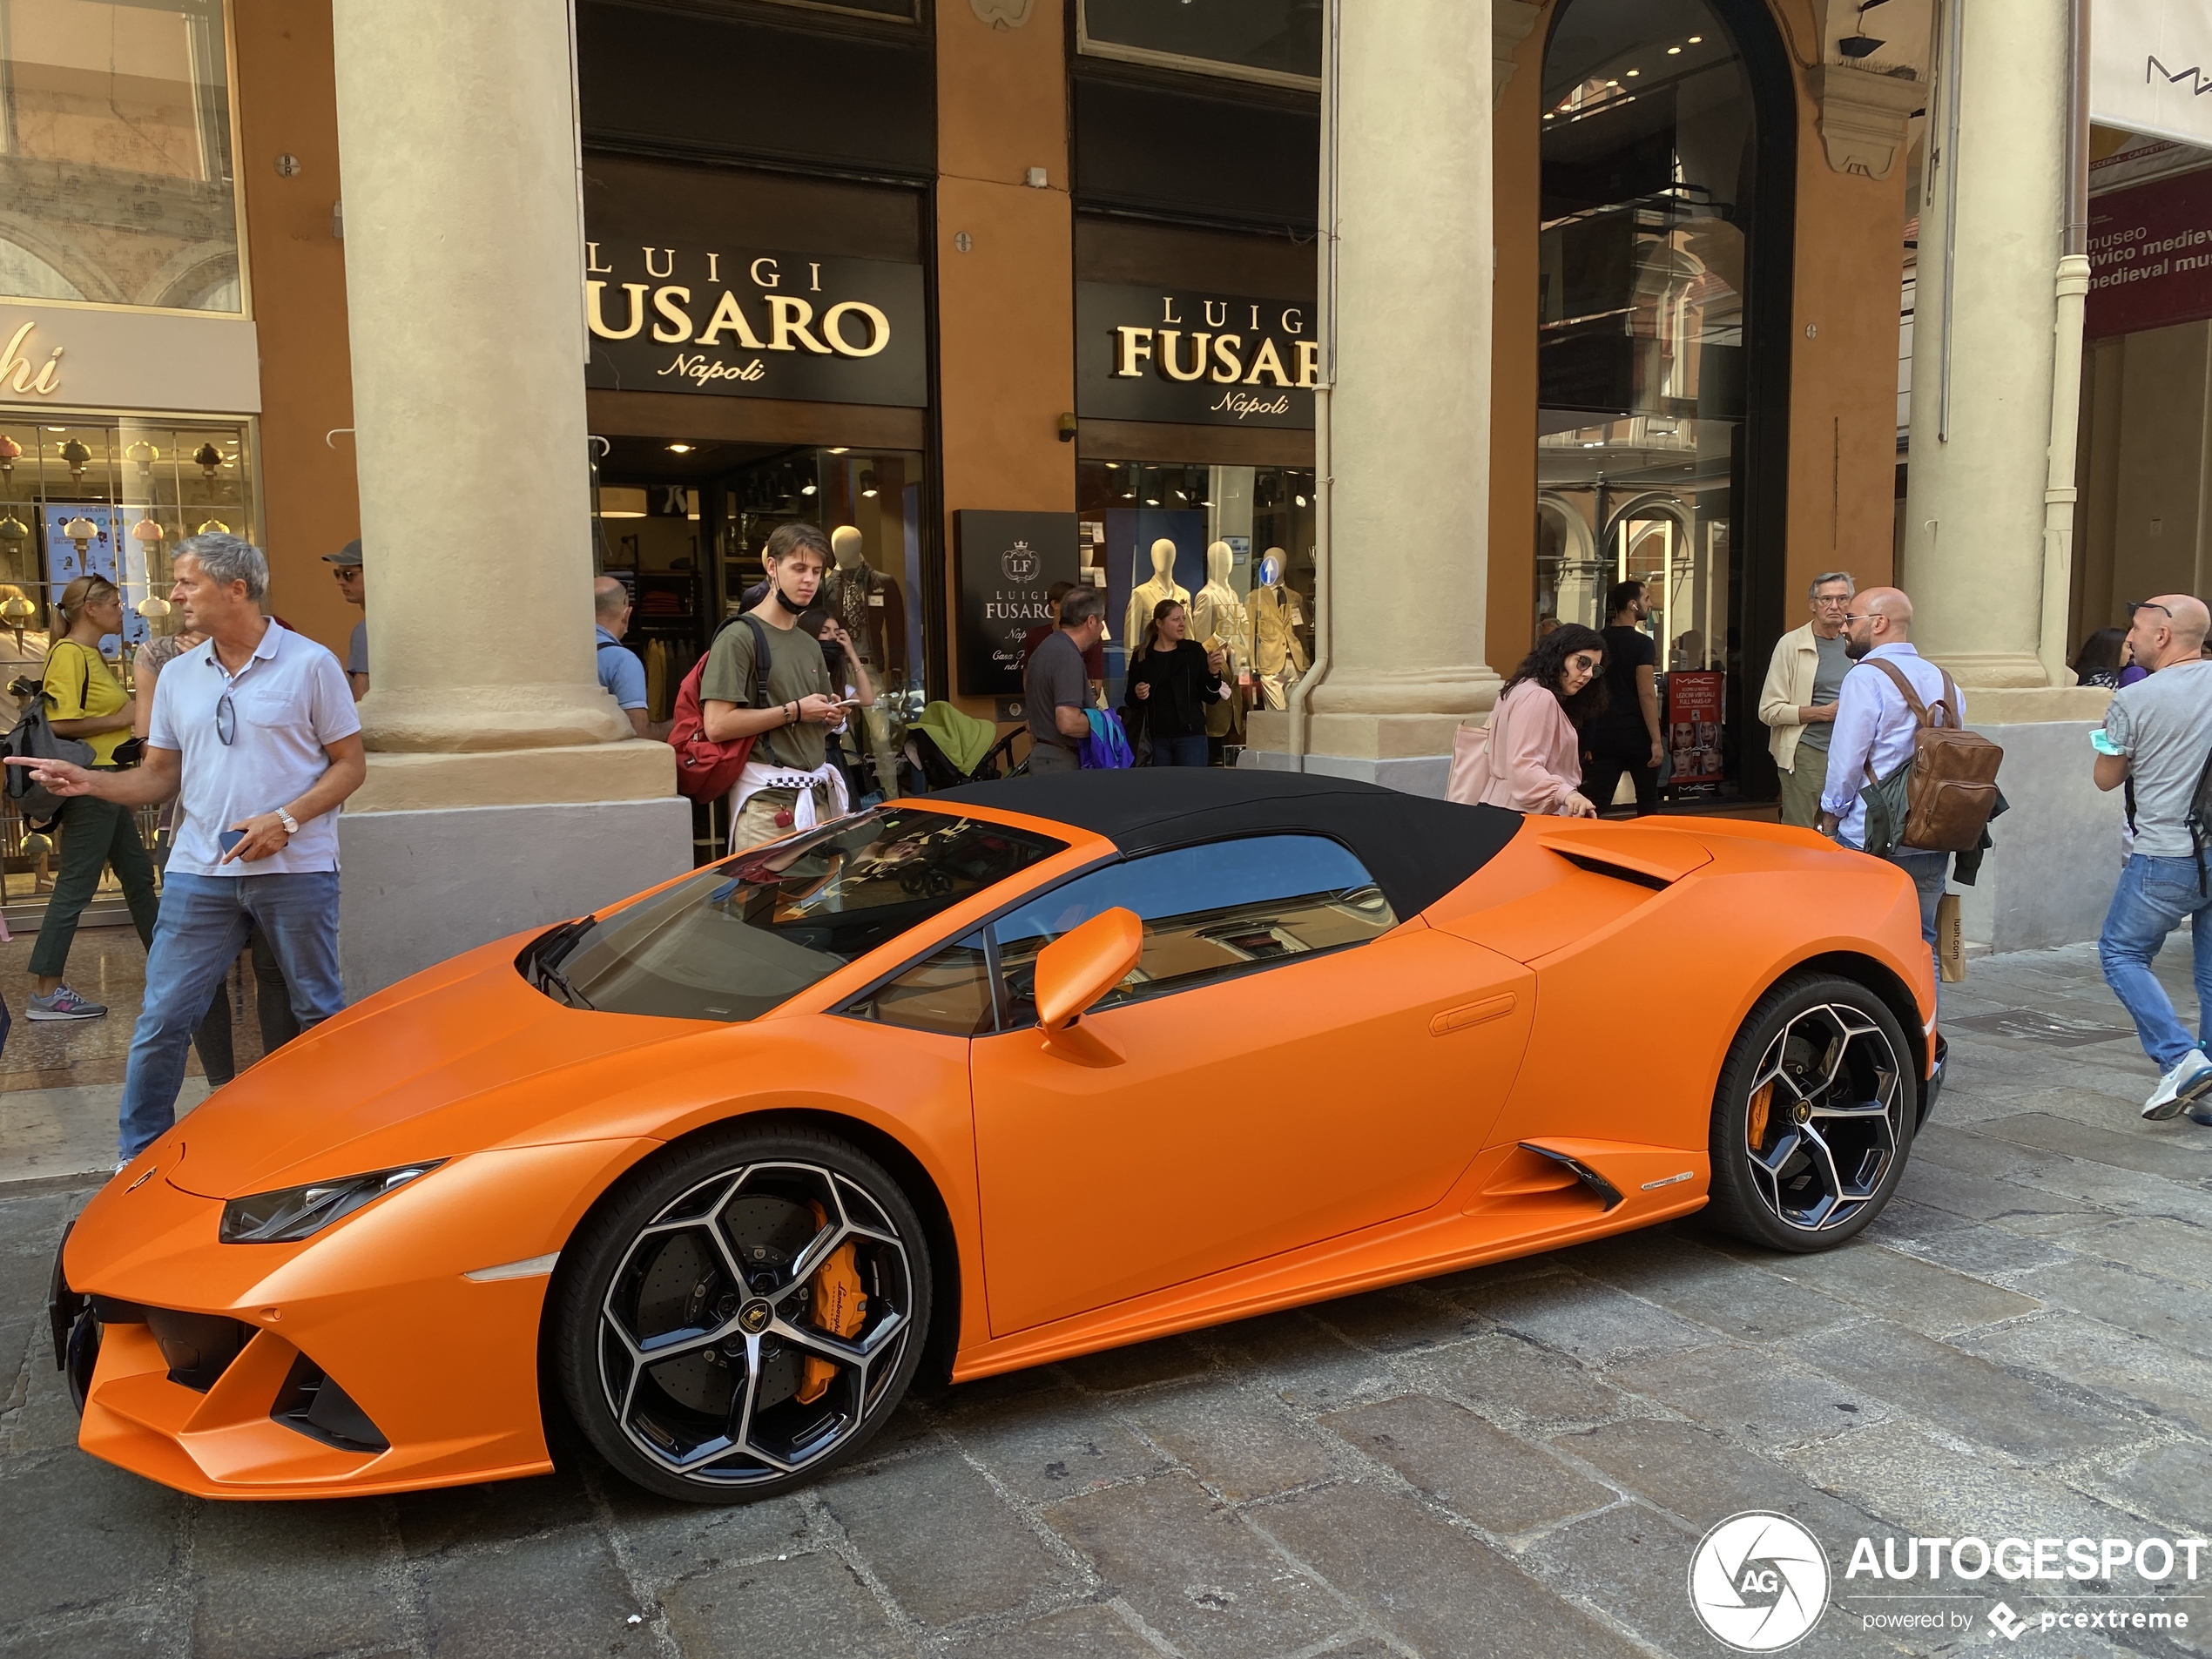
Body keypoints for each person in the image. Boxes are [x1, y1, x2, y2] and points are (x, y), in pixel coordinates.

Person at [6, 534, 366, 1163]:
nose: (172, 596)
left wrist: (286, 817)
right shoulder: (174, 675)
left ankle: (332, 1144)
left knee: (318, 1008)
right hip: (200, 869)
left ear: (237, 588)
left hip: (296, 868)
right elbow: (159, 775)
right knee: (163, 1016)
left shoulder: (310, 664)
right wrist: (90, 781)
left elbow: (349, 766)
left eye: (186, 582)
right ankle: (137, 1153)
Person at [133, 623, 300, 1083]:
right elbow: (152, 749)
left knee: (275, 967)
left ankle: (282, 1085)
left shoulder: (286, 646)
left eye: (192, 584)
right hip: (197, 831)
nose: (183, 597)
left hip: (277, 831)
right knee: (198, 975)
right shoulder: (162, 658)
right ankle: (219, 1087)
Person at [2089, 595, 2212, 1122]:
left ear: (2162, 637)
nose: (2129, 638)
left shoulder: (2136, 698)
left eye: (2136, 629)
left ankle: (2179, 1057)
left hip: (2167, 852)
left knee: (2121, 952)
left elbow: (2106, 777)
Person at [24, 575, 158, 1022]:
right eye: (116, 603)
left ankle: (170, 969)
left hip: (106, 781)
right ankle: (46, 991)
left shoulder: (87, 655)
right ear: (91, 609)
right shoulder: (69, 655)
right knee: (76, 885)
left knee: (138, 877)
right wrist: (122, 715)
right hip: (90, 781)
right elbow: (59, 724)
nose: (124, 611)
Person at [1816, 587, 1952, 981]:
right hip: (1932, 830)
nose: (1843, 625)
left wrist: (1830, 816)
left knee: (1859, 941)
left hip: (1871, 831)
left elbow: (1847, 759)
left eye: (1851, 618)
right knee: (1922, 940)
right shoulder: (1944, 680)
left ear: (1878, 623)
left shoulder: (1866, 677)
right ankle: (1925, 1036)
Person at [698, 522, 850, 850]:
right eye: (798, 568)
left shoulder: (809, 644)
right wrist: (795, 711)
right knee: (767, 902)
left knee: (821, 903)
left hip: (817, 802)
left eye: (816, 570)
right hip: (768, 810)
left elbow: (801, 731)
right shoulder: (739, 636)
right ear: (772, 567)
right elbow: (717, 725)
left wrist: (828, 719)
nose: (809, 579)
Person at [1464, 624, 1608, 816]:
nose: (1589, 674)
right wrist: (1569, 794)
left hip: (1503, 809)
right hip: (1524, 815)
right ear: (1560, 655)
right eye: (1582, 662)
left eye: (1595, 669)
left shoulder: (1519, 687)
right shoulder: (1539, 696)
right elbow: (1524, 766)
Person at [1760, 571, 1854, 827]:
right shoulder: (1791, 644)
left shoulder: (1855, 644)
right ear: (1813, 604)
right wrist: (1824, 713)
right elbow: (1768, 711)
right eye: (1826, 599)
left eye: (1842, 598)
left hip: (1850, 753)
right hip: (1808, 751)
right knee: (1802, 833)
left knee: (1840, 830)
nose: (1834, 606)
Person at [1579, 579, 1662, 815]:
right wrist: (1656, 740)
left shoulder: (1597, 642)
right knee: (1647, 803)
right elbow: (1646, 693)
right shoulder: (1642, 644)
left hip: (1603, 734)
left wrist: (1587, 738)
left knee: (1598, 804)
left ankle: (1588, 849)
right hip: (1637, 733)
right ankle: (1646, 851)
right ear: (1633, 605)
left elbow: (1588, 687)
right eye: (1646, 598)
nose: (1651, 603)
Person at [1123, 599, 1228, 767]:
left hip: (1191, 738)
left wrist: (1213, 672)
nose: (1182, 624)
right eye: (1176, 619)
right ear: (1159, 623)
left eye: (1183, 619)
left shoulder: (1193, 652)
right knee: (1162, 790)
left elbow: (1210, 697)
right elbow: (1130, 701)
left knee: (1191, 788)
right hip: (1156, 739)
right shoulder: (1142, 655)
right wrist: (1137, 693)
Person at [1023, 585, 1105, 775]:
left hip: (1045, 757)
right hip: (1060, 763)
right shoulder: (1067, 656)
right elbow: (1068, 723)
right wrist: (1108, 723)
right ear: (1091, 621)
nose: (1102, 627)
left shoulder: (1046, 647)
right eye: (1101, 621)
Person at [592, 577, 670, 740]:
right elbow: (639, 732)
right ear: (627, 614)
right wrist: (686, 723)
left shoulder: (567, 652)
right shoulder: (623, 661)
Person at [326, 538, 368, 699]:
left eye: (348, 575)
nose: (340, 581)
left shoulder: (366, 630)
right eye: (337, 574)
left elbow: (361, 694)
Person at [2073, 625, 2128, 690]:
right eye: (2128, 647)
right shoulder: (2107, 678)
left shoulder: (2081, 673)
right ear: (2113, 649)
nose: (2131, 652)